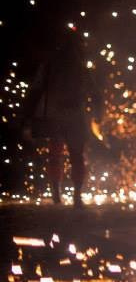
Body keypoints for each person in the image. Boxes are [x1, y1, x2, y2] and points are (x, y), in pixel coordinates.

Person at [22, 27, 102, 207]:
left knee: (58, 155)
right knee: (74, 156)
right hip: (68, 116)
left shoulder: (53, 66)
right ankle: (74, 194)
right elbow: (96, 93)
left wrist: (27, 117)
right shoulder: (77, 67)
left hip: (58, 115)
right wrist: (98, 115)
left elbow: (35, 91)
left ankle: (62, 194)